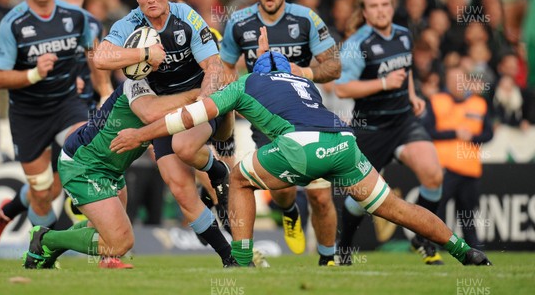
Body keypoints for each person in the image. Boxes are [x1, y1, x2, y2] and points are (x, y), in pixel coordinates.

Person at [109, 49, 492, 268]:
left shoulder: (245, 83)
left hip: (300, 144)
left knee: (239, 178)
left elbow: (190, 117)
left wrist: (141, 134)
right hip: (343, 143)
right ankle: (463, 250)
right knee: (391, 205)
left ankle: (240, 261)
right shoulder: (305, 83)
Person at [0, 0, 164, 249]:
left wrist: (103, 89)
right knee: (44, 191)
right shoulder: (15, 22)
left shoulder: (84, 20)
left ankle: (108, 247)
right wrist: (34, 73)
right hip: (29, 114)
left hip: (72, 106)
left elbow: (96, 58)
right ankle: (28, 233)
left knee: (88, 159)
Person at [92, 0, 234, 266]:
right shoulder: (130, 24)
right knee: (181, 190)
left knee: (185, 147)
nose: (150, 0)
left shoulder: (187, 17)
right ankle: (228, 256)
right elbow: (101, 57)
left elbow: (214, 66)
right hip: (164, 111)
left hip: (201, 99)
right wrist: (144, 55)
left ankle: (219, 172)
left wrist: (203, 104)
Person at [220, 0, 341, 265]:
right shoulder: (238, 23)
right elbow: (224, 70)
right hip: (267, 118)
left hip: (307, 114)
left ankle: (328, 260)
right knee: (284, 189)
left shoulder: (306, 19)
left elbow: (334, 66)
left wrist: (302, 70)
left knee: (321, 197)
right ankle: (289, 212)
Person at [23, 78, 202, 269]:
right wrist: (196, 94)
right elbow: (151, 112)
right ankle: (45, 239)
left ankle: (51, 252)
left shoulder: (167, 87)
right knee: (120, 243)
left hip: (111, 169)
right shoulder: (138, 84)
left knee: (105, 236)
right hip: (84, 164)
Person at [333, 0, 445, 265]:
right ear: (366, 12)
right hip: (370, 128)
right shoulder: (357, 44)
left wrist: (413, 95)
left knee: (433, 174)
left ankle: (422, 239)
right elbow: (342, 89)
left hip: (404, 122)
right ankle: (343, 247)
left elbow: (404, 71)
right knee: (363, 198)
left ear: (392, 7)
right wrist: (382, 82)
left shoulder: (406, 35)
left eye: (385, 5)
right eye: (374, 6)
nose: (381, 11)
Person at [424, 67, 493, 248]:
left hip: (470, 169)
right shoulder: (436, 101)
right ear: (446, 82)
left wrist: (472, 137)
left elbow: (489, 134)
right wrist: (454, 133)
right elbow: (427, 131)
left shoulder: (479, 103)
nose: (456, 84)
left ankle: (474, 247)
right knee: (437, 209)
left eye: (459, 79)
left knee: (468, 213)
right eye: (452, 80)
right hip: (444, 168)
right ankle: (428, 243)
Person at [55, 0, 114, 111]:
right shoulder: (47, 22)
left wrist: (105, 95)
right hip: (53, 105)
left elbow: (99, 73)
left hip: (85, 105)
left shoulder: (95, 24)